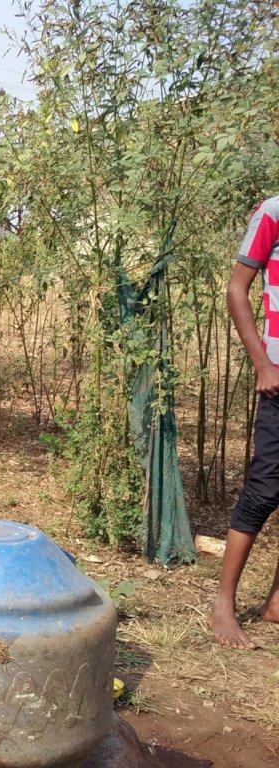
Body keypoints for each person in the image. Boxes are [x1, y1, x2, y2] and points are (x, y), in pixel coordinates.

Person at [210, 196, 279, 648]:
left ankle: (276, 603)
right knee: (266, 486)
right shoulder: (274, 212)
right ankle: (223, 605)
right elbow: (237, 290)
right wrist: (263, 365)